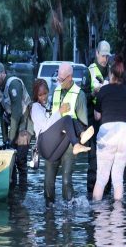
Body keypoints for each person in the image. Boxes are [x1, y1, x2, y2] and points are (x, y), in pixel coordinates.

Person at [43, 62, 89, 204]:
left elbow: (83, 124)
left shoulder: (79, 95)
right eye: (58, 78)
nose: (59, 81)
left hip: (69, 143)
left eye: (61, 79)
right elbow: (50, 117)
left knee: (66, 180)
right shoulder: (56, 91)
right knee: (48, 181)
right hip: (54, 141)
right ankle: (48, 210)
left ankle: (68, 213)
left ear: (70, 77)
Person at [92, 55, 126, 201]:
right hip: (124, 134)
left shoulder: (103, 91)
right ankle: (119, 217)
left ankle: (97, 214)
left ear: (110, 73)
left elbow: (97, 117)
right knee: (118, 178)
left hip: (107, 134)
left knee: (102, 179)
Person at [0, 62, 34, 184]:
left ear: (3, 74)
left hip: (25, 122)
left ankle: (23, 189)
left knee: (20, 159)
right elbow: (1, 115)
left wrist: (11, 140)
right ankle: (13, 185)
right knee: (11, 158)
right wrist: (5, 139)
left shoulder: (13, 84)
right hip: (13, 123)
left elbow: (17, 113)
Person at [31, 79, 93, 161]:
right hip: (43, 144)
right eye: (40, 95)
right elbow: (45, 125)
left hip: (53, 154)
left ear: (48, 91)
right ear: (36, 96)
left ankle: (81, 135)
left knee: (70, 123)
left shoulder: (50, 102)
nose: (43, 97)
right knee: (66, 118)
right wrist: (60, 111)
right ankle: (77, 143)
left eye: (45, 93)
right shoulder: (35, 107)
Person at [85, 40, 112, 195]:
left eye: (107, 56)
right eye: (103, 55)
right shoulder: (89, 72)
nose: (105, 59)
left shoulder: (111, 71)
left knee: (108, 157)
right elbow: (82, 97)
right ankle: (91, 192)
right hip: (92, 122)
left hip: (107, 121)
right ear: (96, 53)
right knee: (93, 159)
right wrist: (93, 93)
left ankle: (106, 192)